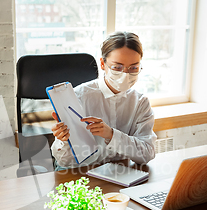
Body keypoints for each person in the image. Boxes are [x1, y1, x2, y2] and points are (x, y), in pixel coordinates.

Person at [51, 31, 156, 169]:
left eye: (133, 68)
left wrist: (111, 135)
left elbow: (147, 153)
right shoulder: (78, 97)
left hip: (120, 174)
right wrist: (63, 140)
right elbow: (64, 163)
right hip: (81, 173)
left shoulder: (140, 102)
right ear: (102, 64)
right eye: (117, 67)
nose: (125, 74)